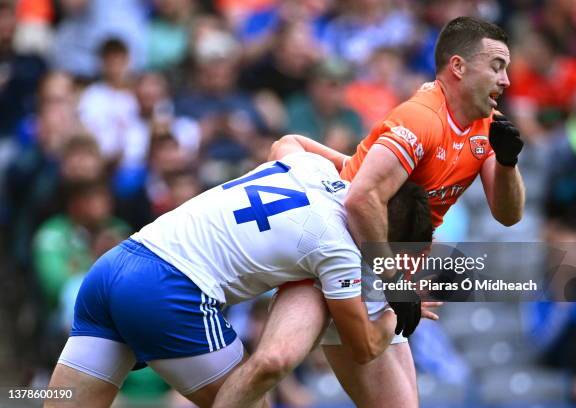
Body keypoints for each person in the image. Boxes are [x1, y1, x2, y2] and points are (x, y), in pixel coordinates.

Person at [224, 16, 526, 408]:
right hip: (343, 251)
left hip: (378, 268)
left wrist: (507, 162)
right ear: (458, 66)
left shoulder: (488, 127)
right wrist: (398, 286)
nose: (506, 81)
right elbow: (360, 200)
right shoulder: (421, 120)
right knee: (271, 363)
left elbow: (508, 215)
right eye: (497, 67)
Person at [45, 142, 433, 407]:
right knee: (253, 401)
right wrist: (396, 310)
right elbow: (364, 348)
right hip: (172, 290)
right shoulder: (340, 251)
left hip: (117, 264)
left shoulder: (315, 170)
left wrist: (353, 162)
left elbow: (287, 141)